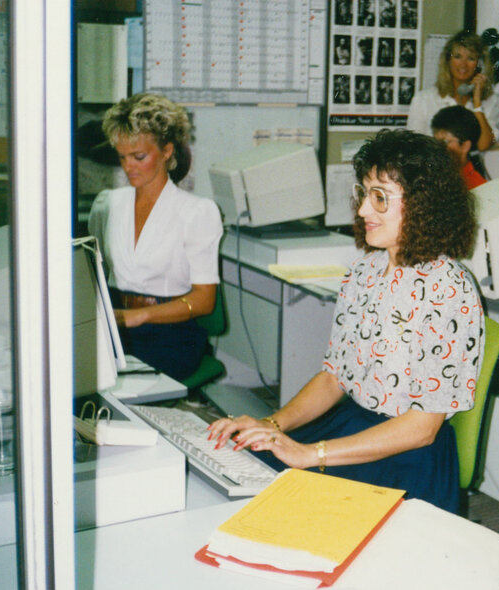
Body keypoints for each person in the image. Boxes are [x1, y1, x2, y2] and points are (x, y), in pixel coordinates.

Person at [207, 130, 484, 513]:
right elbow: (333, 377)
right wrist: (273, 424)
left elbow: (422, 428)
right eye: (364, 194)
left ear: (423, 204)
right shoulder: (364, 271)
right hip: (353, 425)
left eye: (380, 198)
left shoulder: (449, 289)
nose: (363, 211)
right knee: (249, 469)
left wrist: (309, 453)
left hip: (407, 454)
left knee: (284, 502)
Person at [88, 93, 223, 382]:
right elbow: (95, 272)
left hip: (169, 333)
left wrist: (139, 317)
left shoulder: (196, 212)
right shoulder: (107, 204)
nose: (128, 167)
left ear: (166, 151)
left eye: (139, 157)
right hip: (114, 321)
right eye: (122, 157)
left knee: (121, 386)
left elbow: (204, 301)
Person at [406, 30, 499, 152]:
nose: (463, 65)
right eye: (457, 57)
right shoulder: (424, 99)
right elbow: (413, 147)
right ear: (448, 61)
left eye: (471, 58)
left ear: (480, 65)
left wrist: (477, 104)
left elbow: (483, 145)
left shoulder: (492, 101)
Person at [431, 105, 488, 189]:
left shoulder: (477, 186)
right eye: (436, 141)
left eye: (444, 142)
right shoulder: (435, 176)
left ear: (465, 146)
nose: (437, 147)